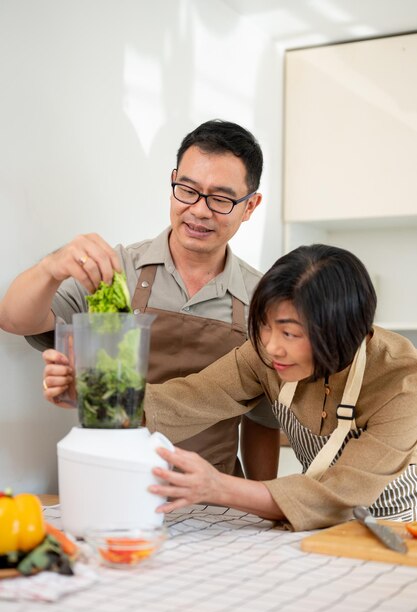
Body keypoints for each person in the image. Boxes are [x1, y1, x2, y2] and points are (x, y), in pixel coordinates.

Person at [0, 119, 278, 479]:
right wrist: (52, 267)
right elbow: (14, 318)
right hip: (110, 482)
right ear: (173, 181)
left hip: (214, 499)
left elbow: (261, 421)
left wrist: (259, 510)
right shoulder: (115, 271)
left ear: (250, 206)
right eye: (187, 190)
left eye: (221, 199)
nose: (199, 210)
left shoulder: (262, 300)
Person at [139, 244, 417, 531]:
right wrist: (104, 409)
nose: (272, 347)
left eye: (290, 333)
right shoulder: (264, 354)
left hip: (392, 528)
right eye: (264, 326)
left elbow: (339, 496)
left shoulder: (402, 382)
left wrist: (219, 487)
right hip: (310, 523)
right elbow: (192, 398)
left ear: (341, 330)